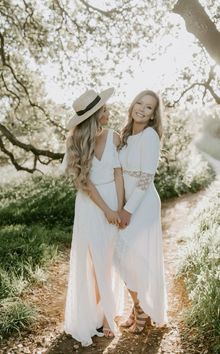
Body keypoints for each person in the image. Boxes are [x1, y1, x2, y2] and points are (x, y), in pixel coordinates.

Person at [61, 88, 124, 346]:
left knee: (112, 258)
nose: (109, 112)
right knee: (97, 260)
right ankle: (106, 316)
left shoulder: (114, 137)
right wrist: (106, 210)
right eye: (105, 109)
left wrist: (118, 208)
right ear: (96, 116)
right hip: (90, 206)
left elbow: (119, 173)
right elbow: (83, 182)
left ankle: (107, 308)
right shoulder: (75, 143)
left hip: (113, 200)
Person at [114, 90, 168, 334]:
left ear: (153, 114)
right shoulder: (125, 135)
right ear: (132, 105)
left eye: (149, 108)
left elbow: (146, 178)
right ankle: (138, 307)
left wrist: (128, 209)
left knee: (134, 257)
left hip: (142, 204)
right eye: (139, 103)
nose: (142, 109)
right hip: (124, 202)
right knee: (122, 257)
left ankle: (142, 309)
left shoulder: (149, 136)